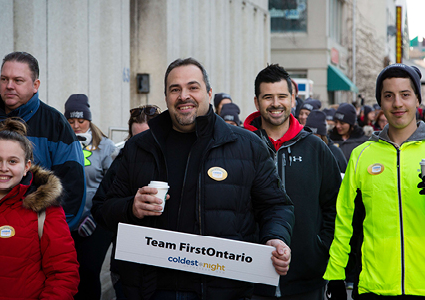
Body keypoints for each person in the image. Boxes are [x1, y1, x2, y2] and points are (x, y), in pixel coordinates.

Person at [100, 57, 294, 299]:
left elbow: (276, 205)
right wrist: (131, 207)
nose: (184, 96)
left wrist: (276, 236)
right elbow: (104, 209)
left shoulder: (247, 146)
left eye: (193, 87)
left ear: (209, 93)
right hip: (149, 289)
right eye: (175, 89)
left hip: (222, 290)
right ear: (166, 96)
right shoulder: (138, 147)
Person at [325, 63, 425, 299]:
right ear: (380, 103)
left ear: (417, 100)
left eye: (405, 95)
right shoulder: (362, 155)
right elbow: (344, 220)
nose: (397, 103)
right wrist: (335, 274)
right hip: (374, 286)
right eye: (388, 96)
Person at [244, 64, 341, 300]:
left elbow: (334, 206)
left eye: (282, 96)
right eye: (268, 97)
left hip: (306, 281)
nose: (275, 103)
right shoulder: (240, 146)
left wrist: (319, 249)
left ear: (293, 99)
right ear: (257, 102)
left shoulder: (316, 147)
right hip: (250, 280)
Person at [0, 51, 85, 231]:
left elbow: (73, 189)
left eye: (18, 80)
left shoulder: (56, 125)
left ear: (35, 85)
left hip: (34, 237)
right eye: (4, 79)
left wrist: (52, 232)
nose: (9, 86)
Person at [0, 118, 79, 299]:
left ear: (26, 167)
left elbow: (64, 274)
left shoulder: (45, 212)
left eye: (13, 161)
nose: (3, 168)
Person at [91, 104, 161, 300]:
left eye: (147, 136)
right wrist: (130, 207)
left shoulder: (177, 159)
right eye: (135, 138)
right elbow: (100, 207)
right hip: (128, 265)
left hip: (167, 265)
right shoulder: (123, 161)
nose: (142, 144)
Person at [64, 94, 119, 300]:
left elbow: (113, 187)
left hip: (96, 221)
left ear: (90, 120)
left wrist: (95, 216)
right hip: (67, 221)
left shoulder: (106, 147)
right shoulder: (62, 145)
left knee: (88, 271)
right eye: (71, 121)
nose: (76, 125)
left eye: (81, 120)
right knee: (69, 273)